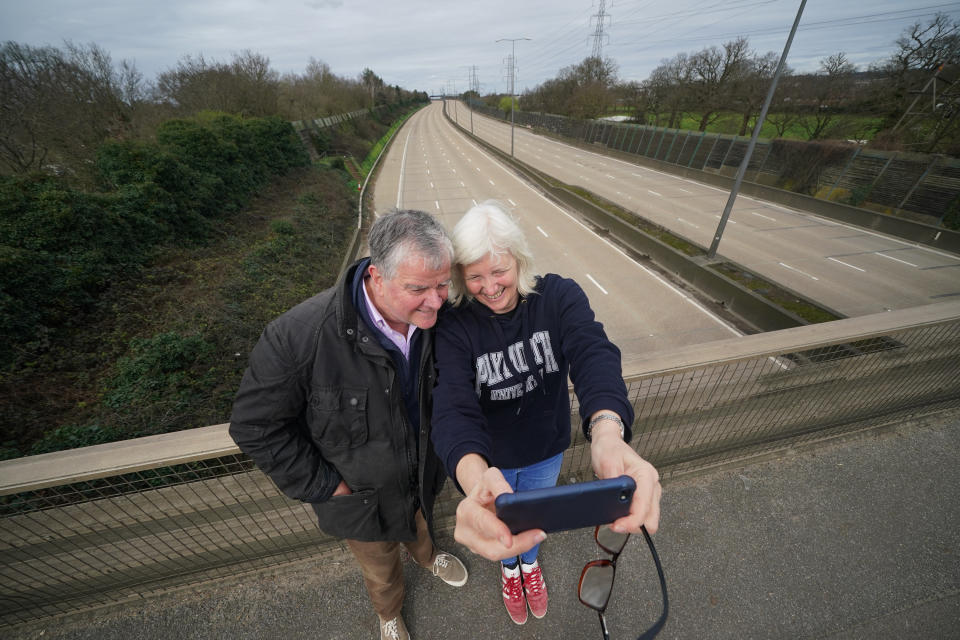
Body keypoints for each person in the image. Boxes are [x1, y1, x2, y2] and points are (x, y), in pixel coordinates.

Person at [229, 209, 468, 640]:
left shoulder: (440, 322)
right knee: (381, 570)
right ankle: (388, 614)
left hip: (422, 478)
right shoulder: (298, 337)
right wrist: (327, 488)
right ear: (377, 277)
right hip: (359, 500)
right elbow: (255, 427)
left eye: (442, 284)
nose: (436, 302)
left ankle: (429, 558)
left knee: (422, 530)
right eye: (418, 289)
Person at [431, 200, 662, 625]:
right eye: (475, 276)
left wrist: (608, 432)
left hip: (545, 449)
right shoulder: (454, 324)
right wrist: (473, 475)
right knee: (505, 523)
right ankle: (509, 567)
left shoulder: (558, 297)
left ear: (519, 260)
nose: (490, 286)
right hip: (492, 461)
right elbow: (451, 402)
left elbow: (593, 353)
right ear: (461, 276)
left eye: (499, 271)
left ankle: (528, 565)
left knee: (533, 522)